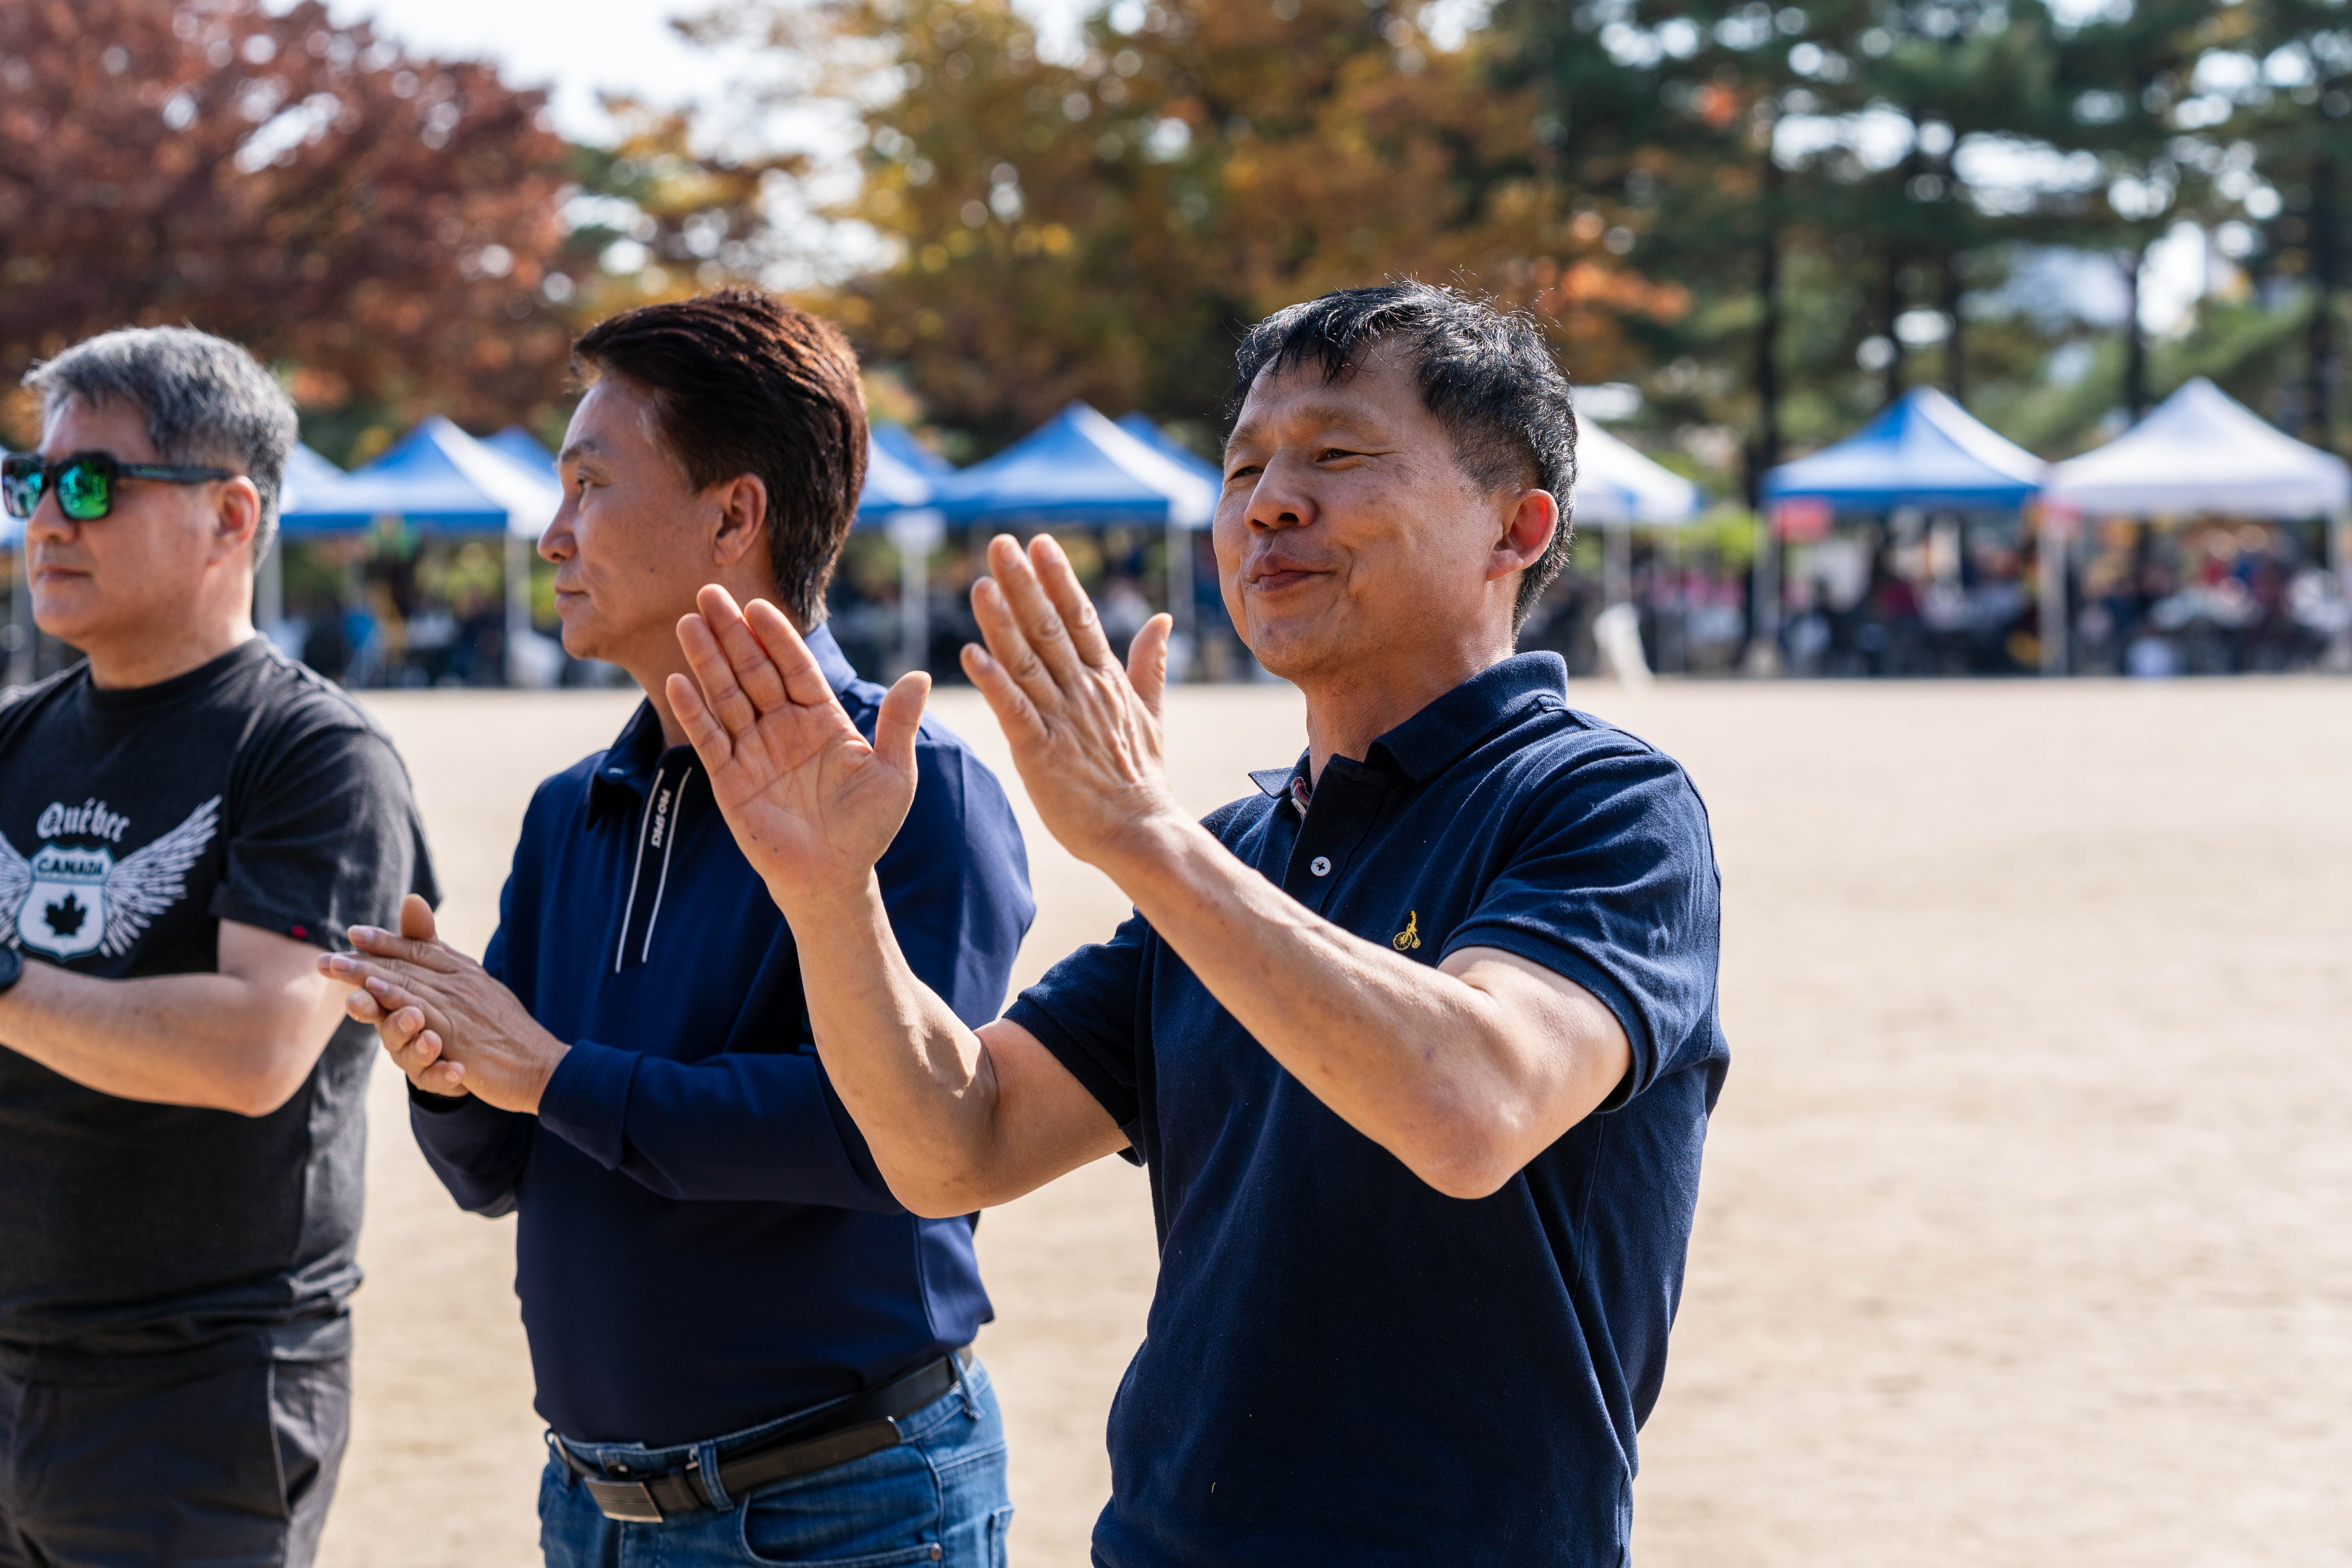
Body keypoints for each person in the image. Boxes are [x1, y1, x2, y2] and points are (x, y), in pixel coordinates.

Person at [662, 281, 1728, 1564]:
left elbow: (1475, 1108)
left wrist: (1143, 838)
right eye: (1244, 468)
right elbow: (957, 1145)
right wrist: (829, 896)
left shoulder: (1600, 803)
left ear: (1516, 529)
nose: (1270, 501)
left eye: (1336, 455)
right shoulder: (1242, 856)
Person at [323, 291, 1032, 1565]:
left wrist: (549, 1073)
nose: (551, 537)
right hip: (591, 1511)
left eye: (591, 487)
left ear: (735, 513)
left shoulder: (916, 795)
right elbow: (503, 1170)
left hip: (843, 1504)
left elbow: (885, 1141)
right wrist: (450, 1070)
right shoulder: (573, 809)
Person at [0, 327, 438, 1564]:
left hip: (197, 1397)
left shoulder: (314, 759)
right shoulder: (15, 739)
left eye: (91, 483)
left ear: (230, 515)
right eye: (28, 480)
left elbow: (255, 1047)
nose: (45, 518)